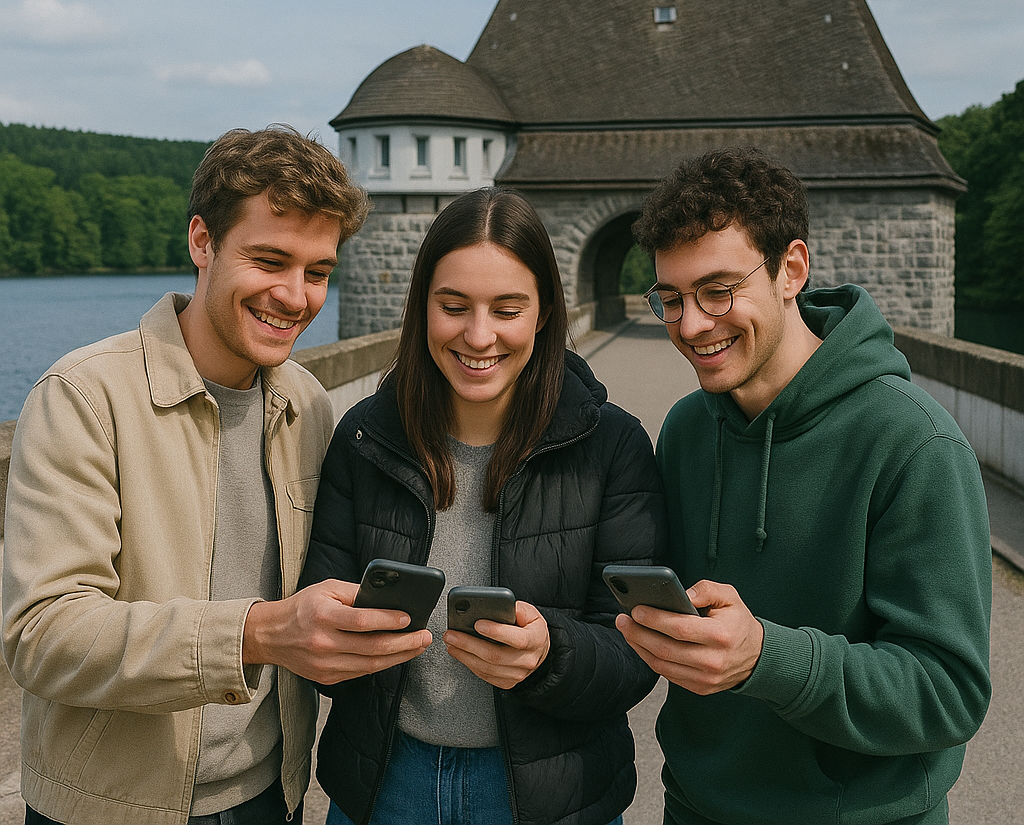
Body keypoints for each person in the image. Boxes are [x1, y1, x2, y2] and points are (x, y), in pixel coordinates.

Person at [2, 125, 434, 825]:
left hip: (271, 797)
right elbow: (43, 636)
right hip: (110, 811)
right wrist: (256, 634)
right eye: (269, 260)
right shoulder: (83, 396)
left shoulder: (307, 404)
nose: (295, 297)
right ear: (202, 242)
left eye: (318, 271)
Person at [616, 148, 992, 825]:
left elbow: (950, 693)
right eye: (670, 298)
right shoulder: (686, 431)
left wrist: (766, 657)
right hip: (695, 808)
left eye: (719, 290)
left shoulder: (914, 444)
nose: (692, 324)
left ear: (792, 269)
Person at [299, 186, 666, 825]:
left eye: (507, 307)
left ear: (545, 311)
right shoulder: (363, 438)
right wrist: (332, 645)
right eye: (454, 306)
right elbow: (320, 642)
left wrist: (551, 653)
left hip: (554, 796)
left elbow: (638, 652)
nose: (479, 335)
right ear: (422, 309)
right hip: (388, 785)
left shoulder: (612, 445)